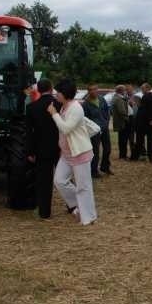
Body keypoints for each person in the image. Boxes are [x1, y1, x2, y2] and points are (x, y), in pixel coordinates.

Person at [47, 79, 97, 226]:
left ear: (65, 94)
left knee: (84, 186)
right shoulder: (64, 106)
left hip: (79, 152)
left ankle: (88, 217)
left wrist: (54, 114)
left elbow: (66, 128)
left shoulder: (76, 108)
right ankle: (79, 206)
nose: (56, 95)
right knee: (59, 181)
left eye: (58, 93)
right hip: (67, 154)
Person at [25, 78, 61, 219]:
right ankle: (72, 206)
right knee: (65, 179)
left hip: (41, 149)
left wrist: (30, 151)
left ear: (38, 90)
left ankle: (44, 212)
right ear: (51, 89)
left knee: (44, 181)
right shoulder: (59, 104)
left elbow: (29, 133)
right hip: (59, 148)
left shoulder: (31, 108)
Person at [83, 83, 113, 177]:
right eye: (91, 90)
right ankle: (93, 171)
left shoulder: (101, 99)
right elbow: (85, 119)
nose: (93, 91)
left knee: (107, 149)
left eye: (95, 89)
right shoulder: (86, 103)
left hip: (104, 128)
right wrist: (92, 129)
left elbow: (106, 112)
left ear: (97, 90)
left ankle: (105, 167)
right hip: (94, 131)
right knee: (95, 152)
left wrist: (106, 122)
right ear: (88, 91)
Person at [131, 83, 152, 162]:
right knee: (151, 141)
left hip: (142, 123)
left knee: (139, 140)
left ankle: (135, 157)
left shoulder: (145, 98)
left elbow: (144, 111)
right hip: (151, 123)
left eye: (142, 89)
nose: (142, 91)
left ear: (147, 88)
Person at [112, 85, 131, 159]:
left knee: (122, 139)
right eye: (124, 90)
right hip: (122, 122)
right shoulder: (119, 99)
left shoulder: (117, 97)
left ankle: (122, 155)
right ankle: (123, 155)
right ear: (121, 91)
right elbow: (122, 111)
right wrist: (127, 118)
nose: (125, 91)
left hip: (120, 121)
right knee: (123, 139)